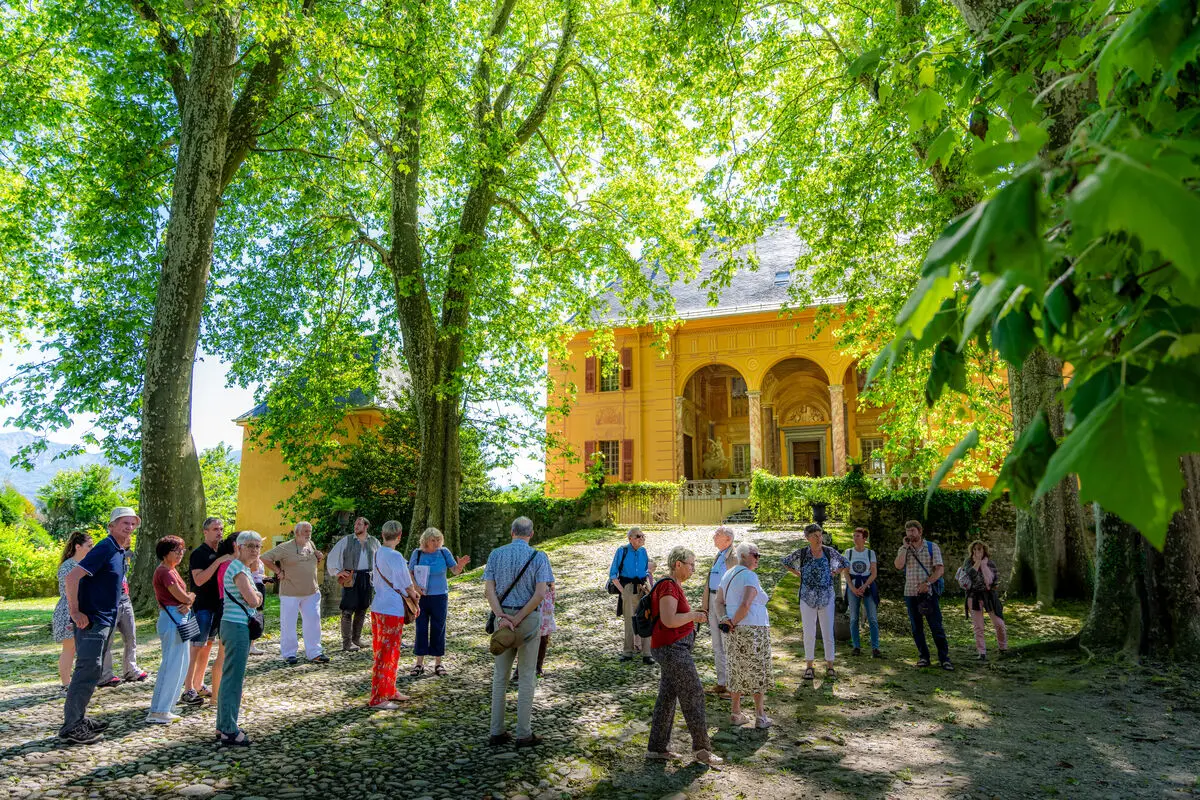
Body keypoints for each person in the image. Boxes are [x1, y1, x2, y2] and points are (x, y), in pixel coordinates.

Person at [58, 507, 139, 744]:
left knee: (93, 671)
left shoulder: (118, 550)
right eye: (124, 523)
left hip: (107, 619)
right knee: (87, 670)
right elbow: (71, 577)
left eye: (133, 524)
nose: (129, 527)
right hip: (92, 620)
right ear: (111, 526)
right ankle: (71, 727)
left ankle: (79, 718)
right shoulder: (105, 547)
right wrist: (75, 611)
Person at [646, 546, 722, 765]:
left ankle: (657, 748)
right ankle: (702, 749)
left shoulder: (673, 585)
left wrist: (691, 616)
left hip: (671, 647)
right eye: (691, 564)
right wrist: (694, 616)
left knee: (668, 696)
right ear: (678, 564)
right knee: (694, 693)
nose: (694, 569)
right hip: (672, 649)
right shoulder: (669, 587)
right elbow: (669, 620)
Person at [485, 516, 554, 747]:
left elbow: (489, 590)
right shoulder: (539, 557)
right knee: (526, 677)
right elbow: (540, 594)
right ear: (531, 534)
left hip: (503, 620)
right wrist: (520, 617)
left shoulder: (495, 554)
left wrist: (502, 616)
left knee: (500, 678)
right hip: (528, 621)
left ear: (511, 532)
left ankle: (496, 731)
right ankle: (523, 733)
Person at [782, 523, 850, 681]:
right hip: (807, 597)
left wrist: (835, 572)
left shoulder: (828, 551)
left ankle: (830, 666)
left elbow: (845, 563)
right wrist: (797, 573)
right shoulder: (803, 553)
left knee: (828, 632)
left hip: (826, 597)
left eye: (820, 535)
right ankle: (809, 666)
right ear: (807, 538)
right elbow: (785, 561)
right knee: (809, 633)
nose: (819, 539)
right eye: (815, 536)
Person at [216, 530, 264, 746]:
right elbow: (253, 601)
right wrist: (258, 596)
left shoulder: (242, 568)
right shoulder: (237, 568)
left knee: (232, 678)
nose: (254, 550)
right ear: (239, 546)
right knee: (233, 680)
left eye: (257, 546)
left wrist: (257, 597)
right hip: (235, 626)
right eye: (250, 545)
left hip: (236, 625)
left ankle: (224, 724)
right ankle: (228, 729)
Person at [717, 542, 772, 729]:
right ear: (744, 556)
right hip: (752, 627)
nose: (758, 558)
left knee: (735, 667)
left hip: (733, 628)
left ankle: (735, 712)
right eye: (755, 555)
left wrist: (726, 619)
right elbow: (746, 604)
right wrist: (732, 621)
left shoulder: (727, 574)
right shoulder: (749, 575)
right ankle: (760, 715)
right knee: (757, 668)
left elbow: (718, 602)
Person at [261, 521, 329, 665]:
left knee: (313, 622)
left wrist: (318, 557)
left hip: (311, 591)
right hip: (290, 592)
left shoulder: (311, 545)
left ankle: (315, 653)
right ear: (296, 532)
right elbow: (265, 558)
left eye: (309, 531)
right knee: (288, 624)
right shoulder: (285, 547)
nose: (308, 533)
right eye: (305, 531)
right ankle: (289, 654)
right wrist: (278, 571)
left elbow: (310, 564)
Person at [370, 521, 421, 709]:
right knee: (388, 653)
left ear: (383, 535)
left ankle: (389, 689)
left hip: (378, 606)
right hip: (391, 608)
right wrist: (415, 598)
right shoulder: (396, 556)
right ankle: (378, 697)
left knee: (383, 651)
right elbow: (406, 584)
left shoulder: (377, 553)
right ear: (399, 536)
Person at [182, 517, 232, 705]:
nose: (219, 532)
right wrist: (218, 561)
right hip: (201, 606)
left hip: (218, 606)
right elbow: (199, 580)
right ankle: (187, 689)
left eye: (221, 529)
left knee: (208, 646)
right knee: (195, 647)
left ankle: (199, 683)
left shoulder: (222, 550)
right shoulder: (199, 553)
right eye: (215, 529)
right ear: (205, 532)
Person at [408, 526, 470, 677]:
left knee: (439, 627)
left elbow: (454, 571)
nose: (436, 543)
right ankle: (419, 663)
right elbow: (409, 572)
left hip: (440, 596)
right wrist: (415, 587)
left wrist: (460, 565)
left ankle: (438, 663)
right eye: (433, 540)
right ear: (425, 541)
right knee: (421, 628)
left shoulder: (444, 552)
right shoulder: (417, 553)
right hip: (421, 597)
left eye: (438, 540)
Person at [893, 520, 953, 671]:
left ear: (920, 531)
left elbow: (939, 570)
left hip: (929, 593)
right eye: (908, 531)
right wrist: (905, 548)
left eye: (913, 531)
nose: (910, 534)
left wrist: (927, 583)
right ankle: (923, 657)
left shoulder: (932, 547)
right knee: (916, 628)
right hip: (910, 593)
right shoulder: (904, 549)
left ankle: (944, 658)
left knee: (936, 626)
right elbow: (898, 566)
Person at [147, 536, 195, 723]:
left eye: (182, 550)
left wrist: (190, 598)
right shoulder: (164, 572)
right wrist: (190, 598)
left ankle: (167, 706)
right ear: (165, 553)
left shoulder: (172, 571)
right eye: (177, 550)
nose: (181, 553)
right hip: (172, 620)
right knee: (172, 664)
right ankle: (159, 709)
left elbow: (187, 597)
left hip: (180, 618)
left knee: (182, 662)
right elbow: (183, 597)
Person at [326, 516, 380, 652]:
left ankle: (356, 639)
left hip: (367, 577)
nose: (356, 526)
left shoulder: (374, 542)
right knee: (347, 610)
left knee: (362, 609)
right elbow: (333, 556)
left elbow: (380, 559)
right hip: (351, 577)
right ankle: (347, 643)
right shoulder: (347, 540)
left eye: (359, 524)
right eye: (355, 524)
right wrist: (338, 572)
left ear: (366, 526)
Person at [97, 556, 148, 687]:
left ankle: (131, 670)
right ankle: (105, 675)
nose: (128, 538)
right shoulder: (106, 553)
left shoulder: (124, 555)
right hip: (110, 603)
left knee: (131, 637)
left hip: (125, 600)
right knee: (108, 640)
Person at [54, 531, 94, 691]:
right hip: (68, 610)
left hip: (84, 609)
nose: (92, 549)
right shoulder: (68, 566)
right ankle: (65, 684)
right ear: (78, 547)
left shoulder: (86, 564)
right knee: (69, 648)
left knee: (81, 649)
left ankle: (79, 682)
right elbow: (68, 591)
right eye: (89, 546)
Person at [608, 526, 652, 664]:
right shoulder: (622, 551)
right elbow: (613, 574)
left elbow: (646, 571)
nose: (642, 538)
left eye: (643, 535)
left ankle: (647, 653)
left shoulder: (644, 551)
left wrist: (648, 586)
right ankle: (627, 652)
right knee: (629, 621)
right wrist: (623, 591)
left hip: (642, 588)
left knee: (646, 619)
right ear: (630, 538)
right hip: (628, 588)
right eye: (638, 536)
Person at [701, 526, 736, 696]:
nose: (714, 537)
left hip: (725, 604)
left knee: (728, 642)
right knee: (716, 643)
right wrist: (705, 604)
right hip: (713, 600)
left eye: (717, 535)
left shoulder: (734, 557)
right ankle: (722, 682)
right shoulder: (719, 555)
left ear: (728, 539)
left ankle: (732, 683)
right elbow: (710, 581)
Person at [962, 540, 1007, 661]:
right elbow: (970, 574)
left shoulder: (990, 563)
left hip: (989, 597)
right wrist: (977, 563)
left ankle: (1003, 648)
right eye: (975, 549)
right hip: (974, 597)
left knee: (999, 623)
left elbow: (996, 579)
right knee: (979, 626)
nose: (977, 551)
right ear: (972, 551)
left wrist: (992, 585)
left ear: (984, 550)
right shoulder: (968, 562)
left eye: (979, 549)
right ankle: (981, 652)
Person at [843, 527, 882, 658]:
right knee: (854, 618)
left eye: (858, 536)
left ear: (865, 538)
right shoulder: (848, 553)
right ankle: (856, 646)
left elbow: (874, 572)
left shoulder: (870, 553)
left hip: (868, 586)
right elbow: (846, 572)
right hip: (853, 586)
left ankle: (875, 648)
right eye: (854, 535)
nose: (855, 538)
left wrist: (865, 585)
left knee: (872, 618)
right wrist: (852, 588)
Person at [513, 580, 556, 682]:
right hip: (527, 599)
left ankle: (538, 667)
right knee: (525, 635)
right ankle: (520, 668)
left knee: (543, 637)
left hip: (544, 600)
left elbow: (550, 581)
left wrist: (552, 597)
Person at [247, 550, 267, 656]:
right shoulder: (251, 558)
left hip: (260, 585)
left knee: (258, 614)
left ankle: (252, 644)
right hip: (253, 586)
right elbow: (254, 569)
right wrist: (255, 557)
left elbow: (259, 574)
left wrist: (265, 578)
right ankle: (249, 644)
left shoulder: (259, 559)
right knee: (253, 613)